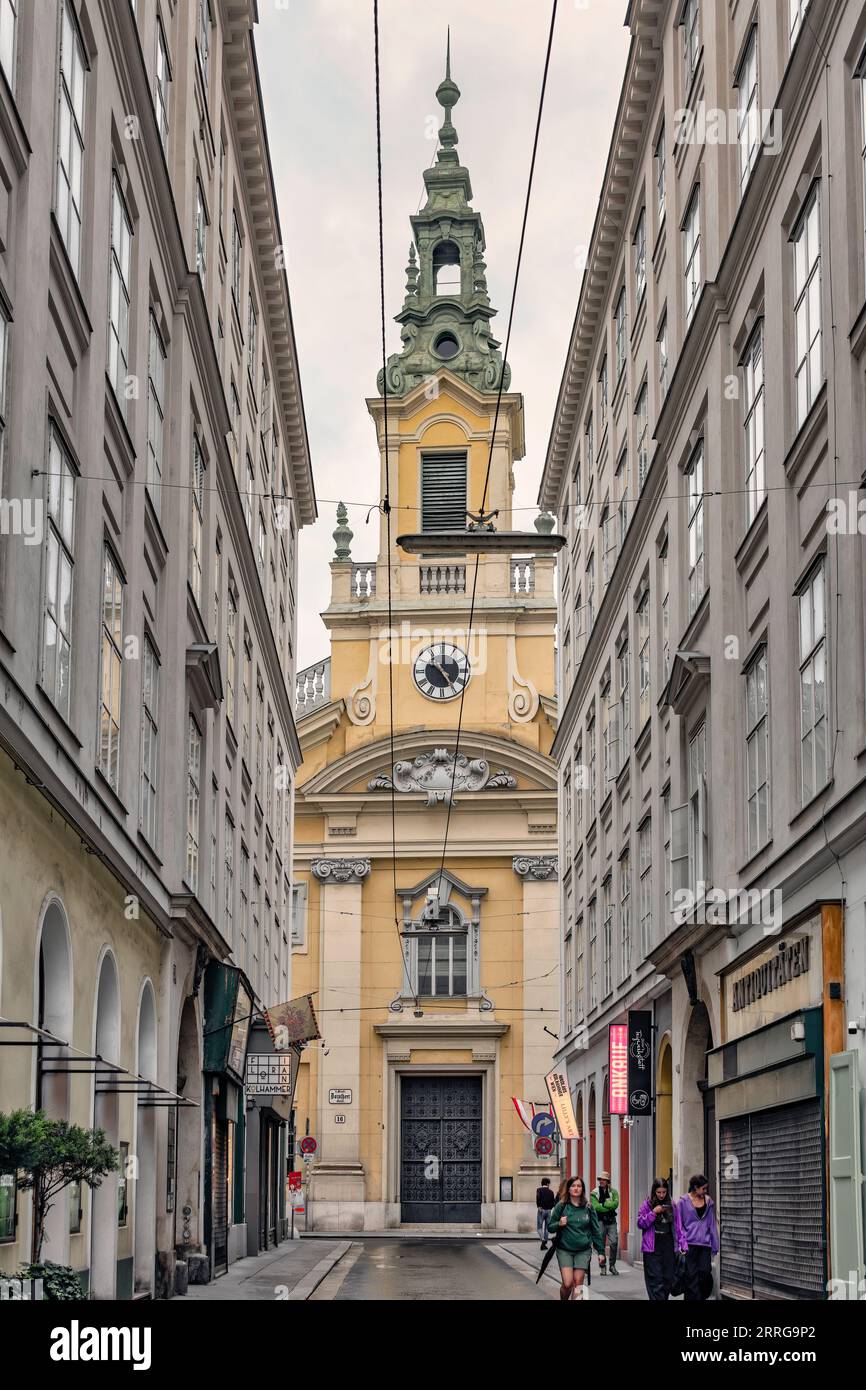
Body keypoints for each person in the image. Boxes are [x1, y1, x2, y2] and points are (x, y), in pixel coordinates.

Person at [548, 1175, 605, 1302]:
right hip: (565, 1249)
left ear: (582, 1189)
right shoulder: (561, 1206)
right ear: (568, 1189)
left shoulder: (588, 1208)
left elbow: (596, 1230)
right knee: (567, 1283)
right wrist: (559, 1224)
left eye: (579, 1186)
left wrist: (601, 1252)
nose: (576, 1188)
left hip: (583, 1250)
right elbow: (550, 1227)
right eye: (573, 1186)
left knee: (578, 1282)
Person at [638, 1177, 688, 1300]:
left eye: (664, 1192)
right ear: (654, 1191)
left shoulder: (673, 1205)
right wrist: (653, 1213)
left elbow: (678, 1226)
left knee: (668, 1279)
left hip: (668, 1245)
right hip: (652, 1248)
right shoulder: (647, 1204)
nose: (661, 1195)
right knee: (655, 1281)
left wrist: (683, 1244)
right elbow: (640, 1223)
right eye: (658, 1192)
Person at [676, 1174, 719, 1301]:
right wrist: (681, 1243)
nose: (705, 1191)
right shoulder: (683, 1202)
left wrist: (715, 1244)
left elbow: (711, 1223)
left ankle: (700, 1297)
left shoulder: (708, 1202)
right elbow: (679, 1225)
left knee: (705, 1273)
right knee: (691, 1276)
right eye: (703, 1188)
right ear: (695, 1187)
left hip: (704, 1245)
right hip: (689, 1245)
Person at [590, 1170, 620, 1275]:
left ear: (608, 1181)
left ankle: (612, 1265)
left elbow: (615, 1204)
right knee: (600, 1244)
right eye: (600, 1179)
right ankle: (602, 1266)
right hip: (600, 1221)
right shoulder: (594, 1192)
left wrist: (603, 1205)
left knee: (614, 1242)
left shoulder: (614, 1192)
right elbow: (595, 1207)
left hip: (611, 1221)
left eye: (604, 1180)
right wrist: (607, 1205)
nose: (602, 1181)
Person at [536, 1177, 556, 1249]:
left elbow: (538, 1198)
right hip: (549, 1211)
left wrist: (538, 1206)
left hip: (541, 1210)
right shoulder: (551, 1192)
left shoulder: (539, 1190)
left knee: (539, 1227)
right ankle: (545, 1243)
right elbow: (553, 1202)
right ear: (547, 1184)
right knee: (547, 1228)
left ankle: (543, 1239)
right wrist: (550, 1208)